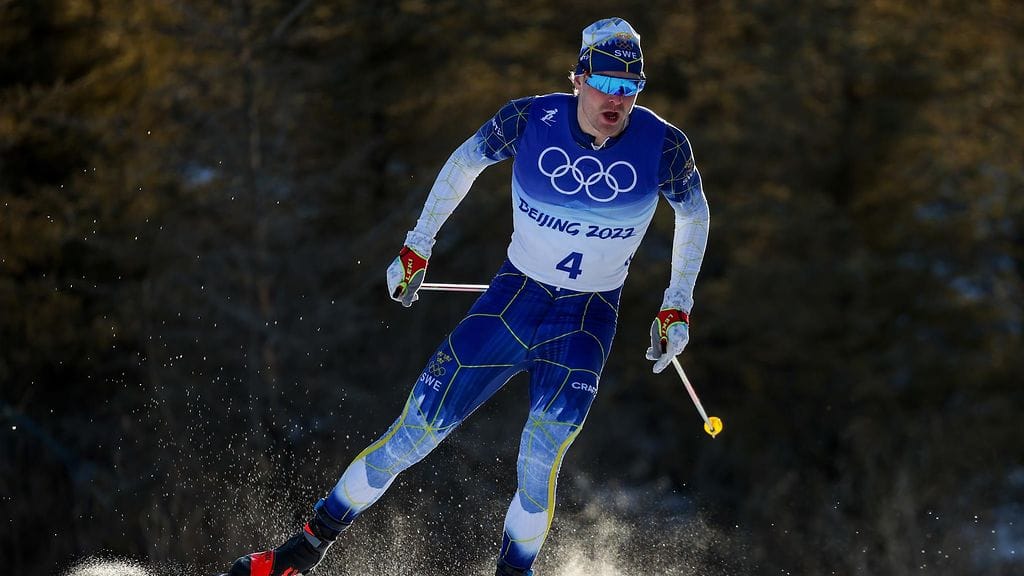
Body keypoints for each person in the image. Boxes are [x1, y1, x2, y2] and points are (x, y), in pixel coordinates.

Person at [217, 17, 709, 576]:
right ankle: (300, 553)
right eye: (604, 82)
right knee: (412, 436)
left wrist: (677, 303)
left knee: (538, 462)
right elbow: (464, 163)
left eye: (629, 86)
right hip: (513, 301)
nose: (616, 99)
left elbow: (694, 215)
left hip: (585, 320)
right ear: (578, 78)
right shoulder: (530, 118)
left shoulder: (664, 145)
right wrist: (417, 246)